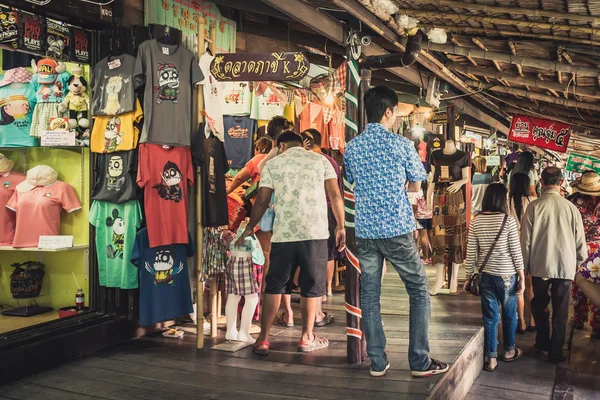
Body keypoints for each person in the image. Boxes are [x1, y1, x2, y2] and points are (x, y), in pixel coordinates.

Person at [344, 85, 449, 378]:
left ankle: (378, 362)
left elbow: (351, 182)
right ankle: (419, 361)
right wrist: (402, 189)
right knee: (418, 292)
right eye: (395, 113)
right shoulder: (401, 145)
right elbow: (417, 183)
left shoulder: (353, 146)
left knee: (370, 295)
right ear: (388, 112)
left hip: (365, 230)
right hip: (397, 229)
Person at [237, 130, 346, 355]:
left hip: (284, 235)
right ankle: (307, 337)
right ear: (302, 144)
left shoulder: (274, 165)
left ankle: (263, 339)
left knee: (275, 285)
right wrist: (342, 226)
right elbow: (335, 196)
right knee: (311, 287)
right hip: (315, 232)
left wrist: (249, 228)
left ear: (281, 146)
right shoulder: (321, 161)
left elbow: (262, 201)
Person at [521, 167, 587, 363]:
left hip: (540, 266)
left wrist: (523, 267)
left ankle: (542, 343)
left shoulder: (534, 207)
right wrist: (581, 263)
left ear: (541, 182)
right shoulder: (571, 208)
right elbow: (580, 241)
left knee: (539, 306)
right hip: (565, 267)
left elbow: (525, 241)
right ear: (561, 183)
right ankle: (556, 352)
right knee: (561, 310)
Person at [275, 129, 340, 329]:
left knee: (282, 277)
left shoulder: (288, 162)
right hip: (321, 219)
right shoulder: (328, 162)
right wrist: (341, 223)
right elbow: (336, 194)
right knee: (322, 262)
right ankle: (322, 302)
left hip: (291, 221)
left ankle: (287, 318)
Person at [464, 184, 525, 372]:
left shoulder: (476, 221)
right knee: (509, 314)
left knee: (490, 317)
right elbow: (515, 251)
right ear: (501, 199)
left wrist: (467, 276)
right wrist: (522, 275)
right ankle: (508, 350)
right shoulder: (509, 221)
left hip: (486, 276)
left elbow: (471, 252)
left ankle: (491, 358)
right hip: (507, 275)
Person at [227, 116, 292, 290]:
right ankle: (269, 289)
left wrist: (224, 194)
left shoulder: (258, 161)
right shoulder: (287, 160)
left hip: (263, 215)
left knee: (266, 252)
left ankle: (263, 289)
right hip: (282, 214)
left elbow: (238, 178)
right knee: (274, 253)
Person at [568, 171, 600, 338]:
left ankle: (579, 319)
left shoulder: (572, 202)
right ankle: (597, 324)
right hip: (598, 253)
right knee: (596, 286)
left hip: (578, 249)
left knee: (579, 285)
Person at [507, 172, 535, 334]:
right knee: (530, 285)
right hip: (529, 248)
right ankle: (532, 320)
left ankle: (522, 322)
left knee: (517, 287)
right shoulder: (533, 201)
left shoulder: (506, 201)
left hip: (512, 249)